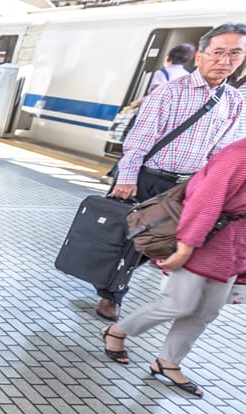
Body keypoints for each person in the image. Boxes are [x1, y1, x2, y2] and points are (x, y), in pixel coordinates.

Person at [98, 23, 246, 321]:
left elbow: (223, 152)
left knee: (158, 241)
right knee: (128, 241)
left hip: (189, 186)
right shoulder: (169, 92)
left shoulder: (235, 101)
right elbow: (139, 139)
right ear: (200, 56)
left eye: (235, 53)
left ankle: (115, 286)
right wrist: (126, 177)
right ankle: (110, 296)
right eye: (218, 52)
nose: (225, 60)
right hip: (149, 177)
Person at [100, 138, 246, 398]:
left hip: (233, 245)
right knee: (179, 304)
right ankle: (118, 330)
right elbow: (206, 199)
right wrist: (186, 246)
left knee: (206, 311)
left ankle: (168, 362)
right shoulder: (238, 155)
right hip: (206, 237)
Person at [128, 44, 195, 110]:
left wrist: (137, 102)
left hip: (161, 109)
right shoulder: (188, 75)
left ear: (169, 57)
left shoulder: (162, 73)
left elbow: (155, 95)